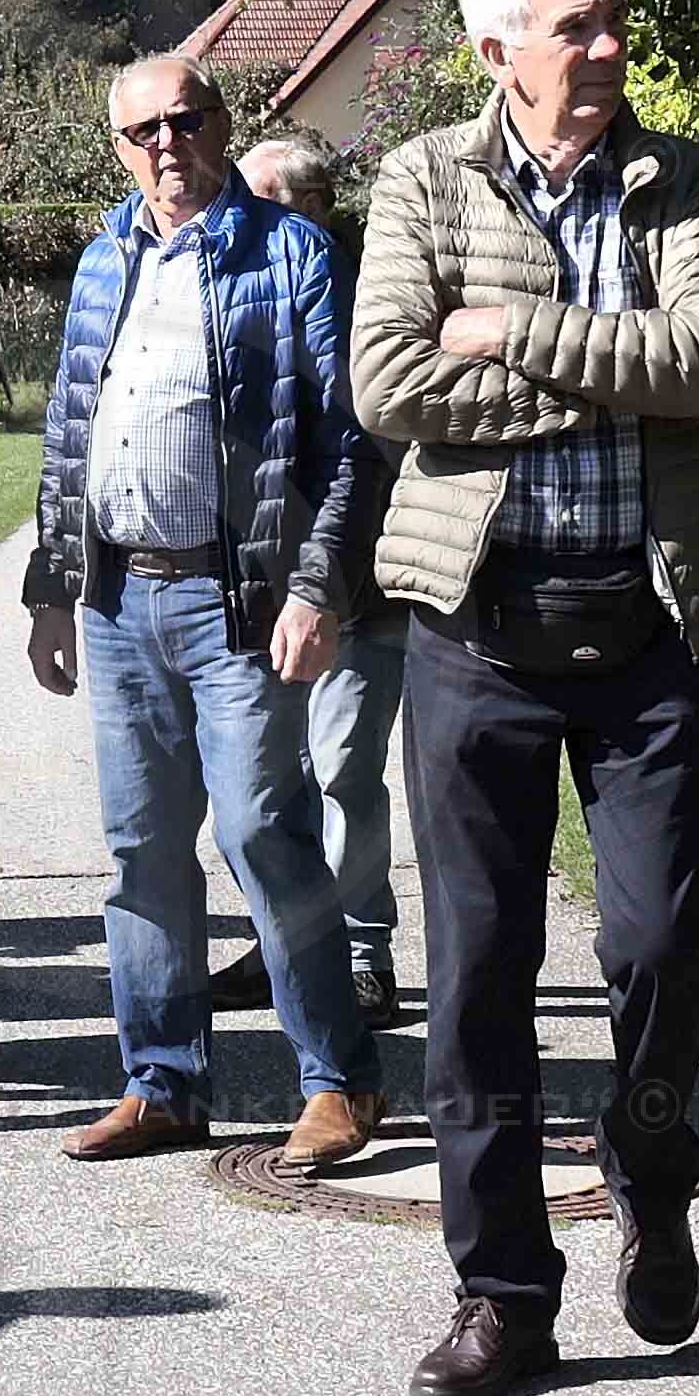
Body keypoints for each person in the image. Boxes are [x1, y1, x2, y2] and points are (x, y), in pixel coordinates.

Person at [349, 0, 699, 1396]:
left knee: (657, 944)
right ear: (495, 53)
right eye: (573, 27)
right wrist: (607, 374)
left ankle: (650, 1160)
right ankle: (503, 1295)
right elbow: (391, 385)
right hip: (477, 635)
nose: (603, 49)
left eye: (612, 21)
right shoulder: (424, 179)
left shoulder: (680, 176)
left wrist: (513, 329)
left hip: (650, 632)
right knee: (477, 977)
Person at [23, 56, 385, 1171]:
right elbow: (70, 429)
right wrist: (52, 586)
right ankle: (163, 1084)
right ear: (118, 146)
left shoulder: (293, 253)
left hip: (240, 602)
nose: (166, 142)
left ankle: (338, 1080)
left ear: (222, 123)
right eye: (142, 129)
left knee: (263, 837)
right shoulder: (101, 261)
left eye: (185, 118)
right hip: (123, 595)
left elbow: (353, 438)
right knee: (141, 853)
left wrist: (318, 583)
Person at [241, 128, 408, 1041]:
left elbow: (368, 453)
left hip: (360, 589)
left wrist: (330, 581)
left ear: (309, 210)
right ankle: (290, 941)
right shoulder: (254, 292)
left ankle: (364, 954)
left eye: (261, 200)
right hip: (264, 587)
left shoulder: (357, 300)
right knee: (273, 777)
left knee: (343, 770)